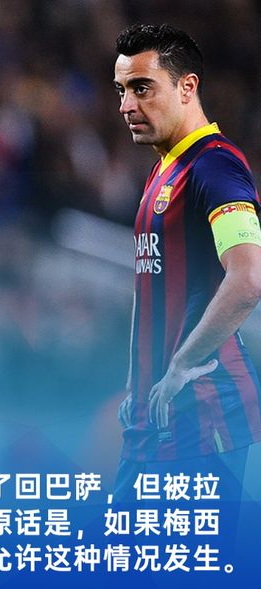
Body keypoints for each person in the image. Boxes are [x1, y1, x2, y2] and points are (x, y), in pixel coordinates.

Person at [112, 24, 261, 505]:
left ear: (187, 87)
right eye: (121, 91)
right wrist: (135, 383)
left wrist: (182, 363)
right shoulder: (164, 169)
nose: (126, 105)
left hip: (202, 408)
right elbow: (151, 287)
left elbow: (249, 278)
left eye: (142, 88)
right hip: (156, 412)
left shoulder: (215, 165)